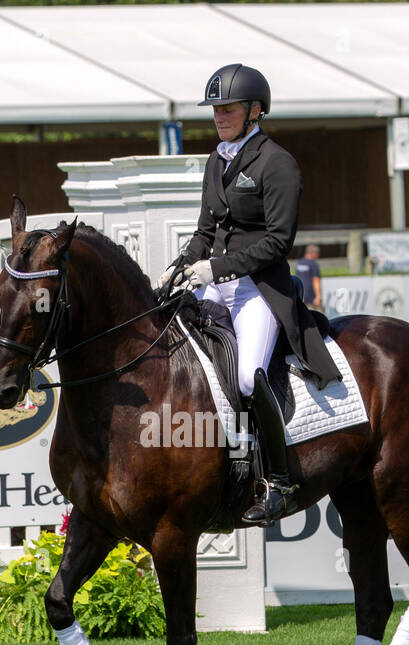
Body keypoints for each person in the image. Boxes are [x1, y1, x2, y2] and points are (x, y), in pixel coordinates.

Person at [159, 63, 340, 526]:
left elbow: (279, 241)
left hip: (259, 289)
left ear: (255, 111)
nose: (220, 116)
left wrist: (215, 267)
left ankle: (278, 480)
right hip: (218, 286)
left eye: (229, 108)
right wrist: (181, 264)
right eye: (216, 109)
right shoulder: (217, 159)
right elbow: (205, 230)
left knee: (245, 377)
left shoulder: (277, 163)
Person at [295, 243, 322, 309]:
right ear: (314, 253)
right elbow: (316, 280)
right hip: (311, 298)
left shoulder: (299, 263)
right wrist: (318, 297)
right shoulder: (313, 264)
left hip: (300, 296)